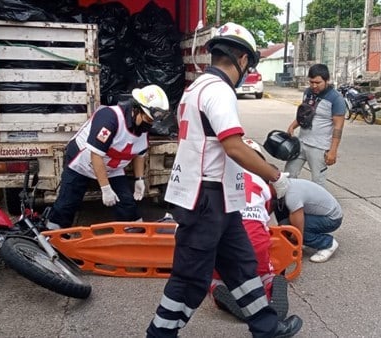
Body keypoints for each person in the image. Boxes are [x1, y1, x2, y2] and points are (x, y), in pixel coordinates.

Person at [147, 22, 303, 338]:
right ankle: (160, 334)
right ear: (243, 60)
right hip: (206, 198)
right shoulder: (219, 91)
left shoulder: (196, 88)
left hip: (217, 198)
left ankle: (267, 327)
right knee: (190, 278)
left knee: (242, 266)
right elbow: (233, 146)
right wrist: (275, 177)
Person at [46, 85, 170, 229]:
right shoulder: (109, 117)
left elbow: (139, 154)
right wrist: (105, 188)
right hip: (82, 163)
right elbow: (96, 155)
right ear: (137, 109)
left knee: (127, 203)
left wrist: (139, 179)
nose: (150, 124)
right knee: (67, 203)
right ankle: (52, 237)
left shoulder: (142, 128)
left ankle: (135, 236)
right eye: (148, 119)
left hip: (112, 168)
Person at [210, 138, 289, 322]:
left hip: (224, 239)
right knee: (263, 272)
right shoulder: (261, 183)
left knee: (216, 274)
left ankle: (218, 287)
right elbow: (265, 216)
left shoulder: (219, 178)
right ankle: (269, 286)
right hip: (255, 240)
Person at [284, 64, 346, 187]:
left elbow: (338, 127)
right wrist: (292, 126)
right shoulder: (308, 92)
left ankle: (317, 204)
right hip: (301, 142)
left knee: (318, 181)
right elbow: (304, 114)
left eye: (318, 82)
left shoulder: (336, 99)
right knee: (288, 175)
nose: (314, 86)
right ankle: (287, 203)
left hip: (319, 147)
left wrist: (333, 151)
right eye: (311, 82)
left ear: (327, 80)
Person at [273, 178, 342, 263]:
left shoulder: (292, 195)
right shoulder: (286, 184)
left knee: (291, 228)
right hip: (323, 213)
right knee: (283, 218)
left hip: (332, 219)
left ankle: (327, 243)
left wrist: (294, 240)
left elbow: (297, 230)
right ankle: (304, 238)